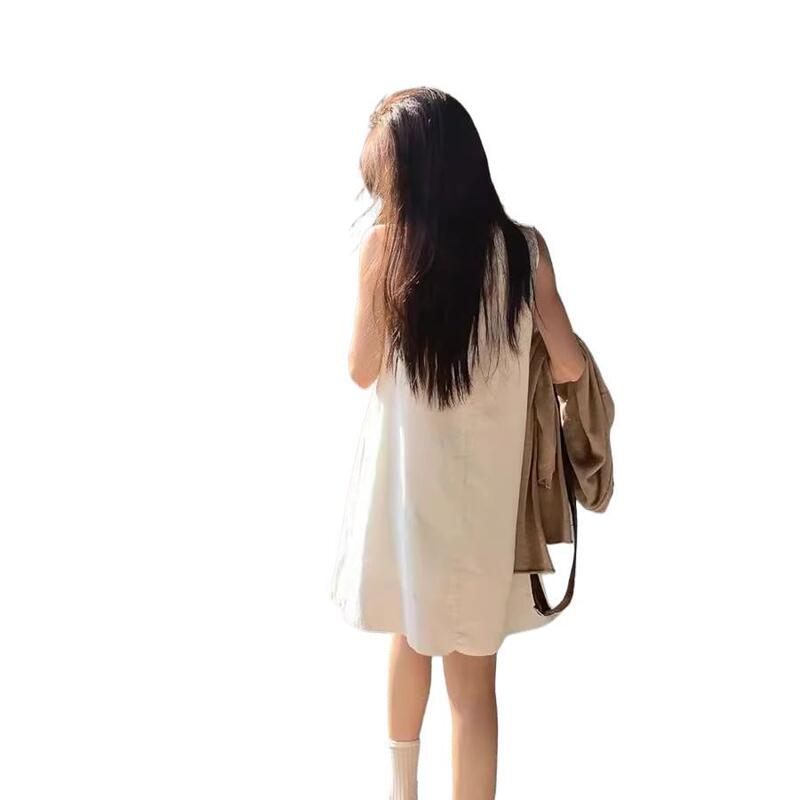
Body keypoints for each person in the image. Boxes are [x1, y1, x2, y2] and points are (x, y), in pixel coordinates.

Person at [329, 87, 587, 800]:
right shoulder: (523, 251)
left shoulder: (385, 250)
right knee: (474, 687)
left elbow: (360, 370)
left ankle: (400, 792)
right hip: (485, 503)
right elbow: (568, 365)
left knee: (408, 634)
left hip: (408, 493)